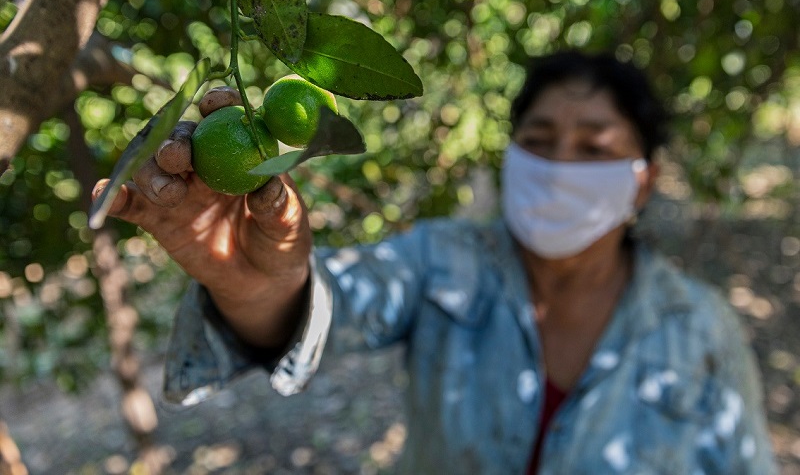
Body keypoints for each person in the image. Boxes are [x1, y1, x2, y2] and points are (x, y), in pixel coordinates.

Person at [93, 50, 777, 474]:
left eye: (593, 148)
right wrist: (254, 280)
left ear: (643, 180)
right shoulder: (443, 261)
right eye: (539, 140)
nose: (560, 164)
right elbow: (327, 304)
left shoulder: (700, 331)